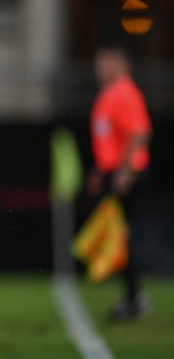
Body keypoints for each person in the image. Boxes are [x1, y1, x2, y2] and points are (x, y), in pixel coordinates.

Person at [87, 46, 152, 322]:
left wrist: (124, 171)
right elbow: (109, 139)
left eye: (105, 64)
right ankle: (131, 295)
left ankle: (135, 297)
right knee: (117, 236)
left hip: (128, 174)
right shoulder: (109, 94)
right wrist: (100, 172)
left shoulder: (125, 92)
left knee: (124, 237)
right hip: (114, 172)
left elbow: (139, 133)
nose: (99, 69)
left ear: (120, 64)